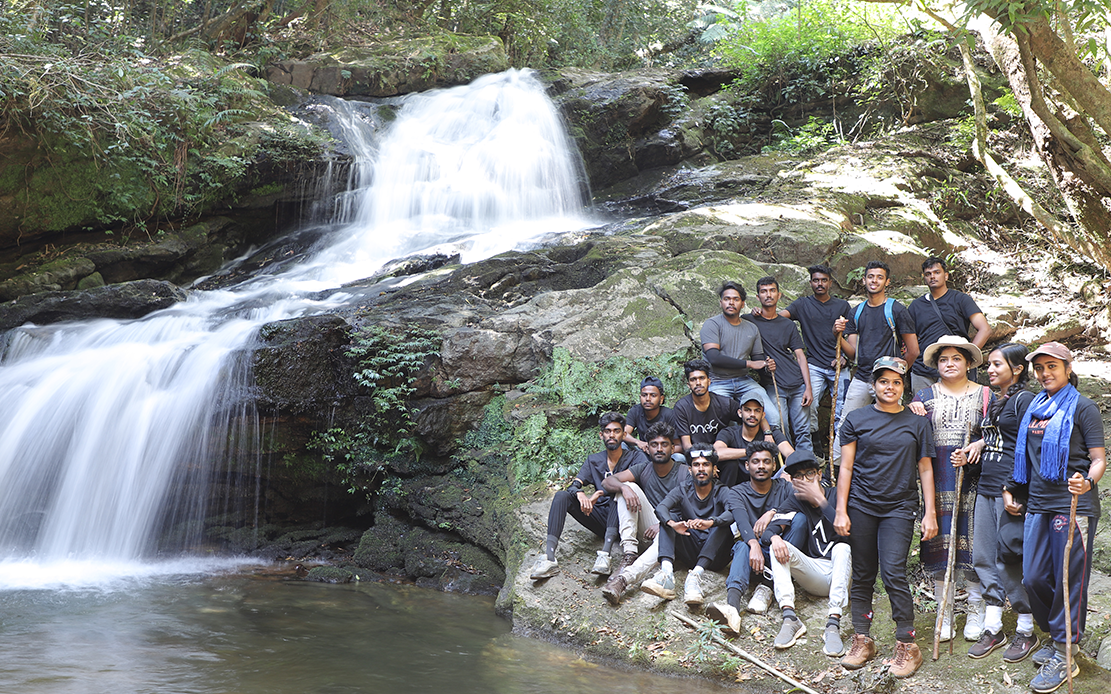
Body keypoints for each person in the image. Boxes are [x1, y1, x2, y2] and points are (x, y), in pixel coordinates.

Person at [1006, 342, 1105, 693]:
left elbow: (1098, 458)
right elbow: (1026, 459)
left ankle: (1066, 652)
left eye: (1052, 367)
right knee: (1033, 576)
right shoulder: (1035, 406)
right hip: (1038, 502)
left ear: (1067, 367)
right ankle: (1056, 635)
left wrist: (1087, 480)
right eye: (1040, 368)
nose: (1046, 373)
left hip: (1072, 504)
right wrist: (1014, 490)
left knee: (1070, 578)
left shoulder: (1083, 407)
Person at [835, 356, 937, 679]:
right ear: (873, 385)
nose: (889, 387)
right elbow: (846, 467)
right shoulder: (857, 419)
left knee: (893, 570)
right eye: (883, 381)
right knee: (863, 572)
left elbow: (925, 468)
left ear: (903, 386)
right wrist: (840, 509)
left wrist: (929, 512)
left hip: (899, 508)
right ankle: (862, 639)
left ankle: (907, 644)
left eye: (896, 382)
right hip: (862, 505)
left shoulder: (917, 422)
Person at [908, 335, 993, 643]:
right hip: (937, 477)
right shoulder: (923, 395)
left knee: (973, 542)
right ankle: (943, 612)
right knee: (939, 543)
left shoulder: (986, 396)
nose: (950, 364)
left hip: (975, 479)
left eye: (956, 358)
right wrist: (911, 412)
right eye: (944, 359)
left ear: (968, 363)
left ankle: (975, 608)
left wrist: (977, 445)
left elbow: (996, 432)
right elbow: (913, 436)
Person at [963, 343, 1038, 661]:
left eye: (997, 364)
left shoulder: (1025, 400)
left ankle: (1025, 629)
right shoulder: (997, 400)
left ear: (1017, 369)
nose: (990, 370)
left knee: (1009, 559)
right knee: (982, 557)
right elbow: (997, 439)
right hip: (986, 488)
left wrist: (1018, 491)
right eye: (989, 365)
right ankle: (994, 626)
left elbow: (1029, 450)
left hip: (1010, 492)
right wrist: (974, 446)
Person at [530, 412, 648, 579]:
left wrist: (602, 492)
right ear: (601, 435)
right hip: (601, 520)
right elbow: (575, 484)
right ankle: (549, 558)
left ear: (624, 434)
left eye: (616, 431)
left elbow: (638, 486)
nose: (612, 435)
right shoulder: (594, 460)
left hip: (628, 518)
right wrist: (580, 494)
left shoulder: (637, 457)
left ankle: (605, 556)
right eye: (607, 431)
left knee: (620, 492)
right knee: (562, 496)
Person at [708, 441, 802, 635]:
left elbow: (800, 503)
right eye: (756, 461)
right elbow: (741, 520)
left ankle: (768, 585)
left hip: (780, 554)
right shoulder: (737, 492)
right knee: (742, 547)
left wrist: (772, 512)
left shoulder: (784, 487)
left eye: (767, 462)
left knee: (799, 519)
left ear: (774, 466)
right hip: (751, 557)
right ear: (747, 465)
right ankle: (732, 609)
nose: (761, 466)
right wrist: (754, 545)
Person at [831, 261, 919, 465]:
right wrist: (838, 335)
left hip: (889, 379)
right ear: (864, 280)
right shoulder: (857, 311)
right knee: (846, 422)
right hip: (862, 377)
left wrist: (900, 371)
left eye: (879, 277)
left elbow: (913, 350)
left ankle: (897, 465)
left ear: (887, 282)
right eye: (871, 277)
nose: (874, 281)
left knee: (894, 423)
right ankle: (836, 468)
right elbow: (853, 354)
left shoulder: (896, 310)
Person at [767, 449, 853, 656]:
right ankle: (789, 617)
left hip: (841, 570)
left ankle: (833, 623)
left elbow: (850, 534)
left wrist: (821, 501)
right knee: (777, 544)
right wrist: (775, 537)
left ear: (819, 474)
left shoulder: (838, 494)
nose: (805, 480)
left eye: (809, 474)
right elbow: (770, 530)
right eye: (798, 476)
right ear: (793, 481)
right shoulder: (795, 501)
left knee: (842, 547)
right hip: (814, 571)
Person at [600, 422, 690, 604]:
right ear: (647, 449)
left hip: (675, 532)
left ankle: (623, 580)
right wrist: (624, 488)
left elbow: (694, 513)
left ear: (673, 448)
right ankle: (630, 554)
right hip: (649, 527)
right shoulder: (643, 469)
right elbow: (608, 482)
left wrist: (665, 523)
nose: (659, 449)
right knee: (627, 486)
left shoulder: (684, 474)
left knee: (668, 530)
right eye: (654, 445)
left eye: (664, 444)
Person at [640, 448, 734, 605]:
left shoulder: (722, 490)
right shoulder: (683, 488)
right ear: (690, 470)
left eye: (706, 464)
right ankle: (667, 574)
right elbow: (662, 508)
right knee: (669, 519)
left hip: (717, 555)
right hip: (692, 549)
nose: (701, 469)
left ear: (715, 469)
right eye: (696, 465)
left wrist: (711, 522)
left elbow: (732, 512)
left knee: (722, 525)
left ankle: (695, 576)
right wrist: (673, 524)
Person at [782, 264, 852, 456]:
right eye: (815, 280)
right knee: (808, 406)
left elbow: (853, 335)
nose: (819, 284)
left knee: (842, 410)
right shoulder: (802, 305)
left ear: (830, 282)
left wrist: (845, 358)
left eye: (823, 280)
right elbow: (778, 318)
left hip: (839, 364)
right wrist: (759, 314)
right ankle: (816, 451)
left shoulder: (842, 306)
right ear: (810, 282)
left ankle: (838, 454)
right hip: (814, 364)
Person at [744, 276, 813, 451]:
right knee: (781, 429)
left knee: (803, 431)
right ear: (758, 296)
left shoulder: (787, 324)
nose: (768, 295)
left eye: (772, 290)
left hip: (797, 384)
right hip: (773, 384)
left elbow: (800, 355)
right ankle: (789, 469)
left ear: (779, 295)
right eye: (764, 291)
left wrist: (808, 387)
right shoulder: (750, 320)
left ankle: (808, 467)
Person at [907, 257, 992, 394]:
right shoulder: (916, 306)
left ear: (946, 275)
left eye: (937, 272)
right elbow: (909, 337)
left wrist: (968, 357)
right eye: (928, 274)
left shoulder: (961, 300)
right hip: (923, 371)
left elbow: (985, 329)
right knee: (922, 412)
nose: (932, 277)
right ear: (924, 278)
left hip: (955, 367)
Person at [700, 281, 779, 426]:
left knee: (773, 417)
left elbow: (758, 359)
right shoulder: (712, 325)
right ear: (721, 302)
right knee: (725, 421)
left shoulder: (751, 328)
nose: (731, 303)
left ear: (742, 304)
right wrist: (748, 363)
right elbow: (713, 358)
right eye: (727, 299)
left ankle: (772, 447)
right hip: (718, 381)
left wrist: (767, 365)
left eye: (736, 299)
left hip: (744, 380)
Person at [712, 396, 794, 487]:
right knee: (730, 464)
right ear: (740, 413)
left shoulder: (772, 432)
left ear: (763, 415)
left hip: (768, 486)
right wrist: (752, 450)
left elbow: (791, 454)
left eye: (757, 411)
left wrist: (786, 472)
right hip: (736, 488)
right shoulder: (729, 432)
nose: (752, 414)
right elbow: (717, 453)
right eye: (747, 410)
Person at [672, 359, 740, 452]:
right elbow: (687, 445)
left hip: (719, 453)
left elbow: (752, 416)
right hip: (695, 456)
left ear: (709, 381)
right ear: (688, 384)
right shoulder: (682, 407)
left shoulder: (724, 403)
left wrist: (767, 433)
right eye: (693, 379)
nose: (698, 383)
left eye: (702, 378)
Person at [623, 376, 678, 452]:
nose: (648, 399)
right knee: (621, 444)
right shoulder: (635, 411)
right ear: (640, 397)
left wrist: (659, 451)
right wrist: (638, 442)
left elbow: (679, 445)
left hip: (663, 453)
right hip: (644, 450)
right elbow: (623, 434)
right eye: (644, 395)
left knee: (679, 457)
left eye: (653, 395)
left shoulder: (669, 415)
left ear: (661, 399)